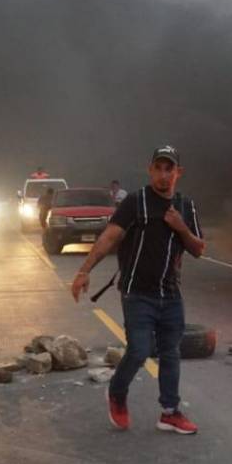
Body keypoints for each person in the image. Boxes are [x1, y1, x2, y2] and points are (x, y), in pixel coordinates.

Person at [71, 146, 205, 434]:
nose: (164, 175)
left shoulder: (185, 206)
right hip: (137, 293)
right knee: (140, 350)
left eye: (170, 169)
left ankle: (170, 412)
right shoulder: (136, 202)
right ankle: (117, 393)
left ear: (178, 173)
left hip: (170, 294)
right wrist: (84, 271)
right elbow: (109, 237)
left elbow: (198, 248)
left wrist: (181, 227)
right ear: (150, 170)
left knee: (170, 352)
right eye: (159, 168)